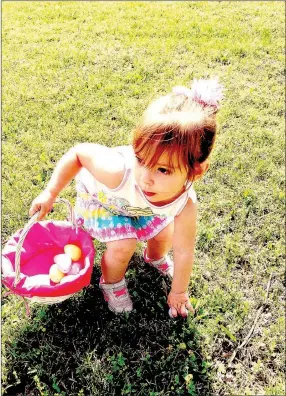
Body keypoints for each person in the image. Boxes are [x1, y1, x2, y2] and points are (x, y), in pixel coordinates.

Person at [29, 77, 223, 318]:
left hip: (139, 208)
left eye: (163, 170)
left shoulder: (185, 204)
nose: (146, 178)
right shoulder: (117, 171)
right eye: (141, 160)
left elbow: (184, 251)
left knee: (164, 232)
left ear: (195, 171)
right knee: (123, 245)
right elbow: (79, 154)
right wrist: (51, 192)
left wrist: (179, 292)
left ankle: (154, 257)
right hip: (103, 201)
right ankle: (111, 283)